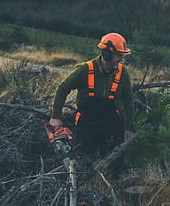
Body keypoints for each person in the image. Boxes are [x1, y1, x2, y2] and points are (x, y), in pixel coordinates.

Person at [48, 32, 135, 160]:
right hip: (86, 124)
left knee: (113, 160)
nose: (121, 59)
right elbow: (63, 89)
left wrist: (129, 128)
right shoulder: (85, 70)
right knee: (85, 158)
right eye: (119, 55)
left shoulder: (123, 73)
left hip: (111, 125)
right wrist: (56, 117)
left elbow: (128, 100)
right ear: (107, 54)